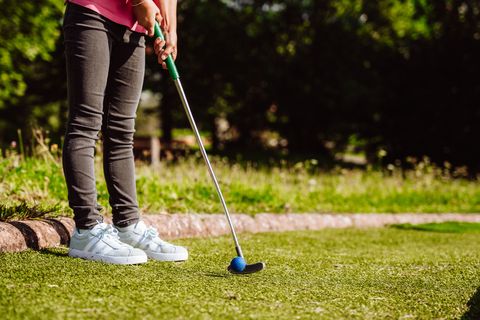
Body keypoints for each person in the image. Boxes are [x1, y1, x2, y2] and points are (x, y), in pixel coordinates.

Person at [63, 0, 187, 264]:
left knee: (122, 131)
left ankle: (128, 225)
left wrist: (170, 27)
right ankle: (87, 229)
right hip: (93, 11)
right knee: (86, 121)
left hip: (133, 28)